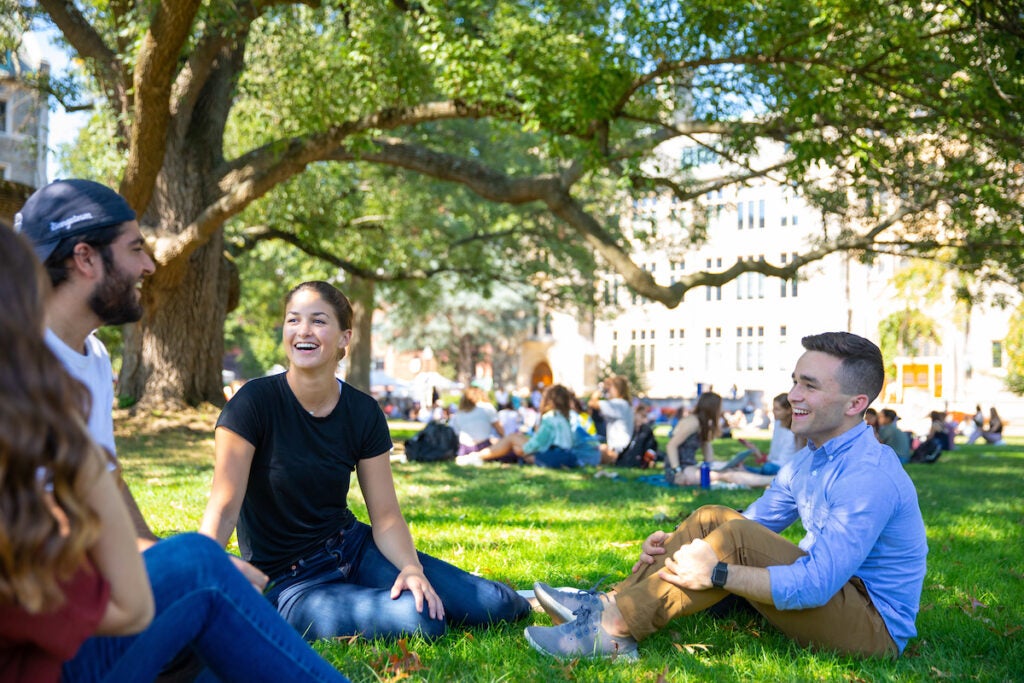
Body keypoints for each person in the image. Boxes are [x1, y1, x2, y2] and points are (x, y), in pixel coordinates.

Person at [15, 182, 349, 682]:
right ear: (85, 258)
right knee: (199, 564)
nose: (149, 266)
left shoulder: (94, 358)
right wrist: (178, 571)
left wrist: (151, 558)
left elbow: (107, 480)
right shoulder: (15, 363)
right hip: (53, 630)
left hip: (86, 605)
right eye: (134, 249)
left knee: (222, 643)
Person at [524, 332, 927, 660]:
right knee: (713, 517)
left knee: (731, 539)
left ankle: (613, 630)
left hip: (873, 628)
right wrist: (675, 550)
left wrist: (715, 572)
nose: (793, 396)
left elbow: (816, 584)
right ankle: (609, 602)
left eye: (810, 385)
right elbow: (741, 525)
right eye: (794, 381)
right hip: (832, 596)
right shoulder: (810, 460)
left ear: (856, 404)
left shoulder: (867, 475)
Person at [200, 281, 530, 641]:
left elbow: (386, 515)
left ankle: (563, 603)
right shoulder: (252, 404)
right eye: (293, 320)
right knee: (421, 620)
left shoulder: (363, 411)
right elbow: (224, 506)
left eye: (318, 321)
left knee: (493, 604)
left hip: (353, 549)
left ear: (344, 338)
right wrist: (203, 568)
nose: (303, 331)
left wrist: (410, 568)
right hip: (291, 583)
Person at [470, 384, 579, 467]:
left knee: (513, 439)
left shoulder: (550, 418)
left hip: (554, 457)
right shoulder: (565, 418)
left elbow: (539, 442)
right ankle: (479, 456)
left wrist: (524, 450)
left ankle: (476, 456)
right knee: (516, 441)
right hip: (568, 457)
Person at [735, 393, 805, 476]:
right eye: (773, 408)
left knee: (768, 468)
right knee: (766, 468)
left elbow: (783, 463)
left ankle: (747, 472)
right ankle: (746, 471)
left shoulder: (792, 433)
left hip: (784, 468)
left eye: (777, 409)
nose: (773, 412)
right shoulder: (777, 423)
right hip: (773, 465)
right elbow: (773, 455)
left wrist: (764, 459)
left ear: (788, 410)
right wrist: (755, 450)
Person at [664, 391, 722, 484]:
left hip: (690, 466)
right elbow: (671, 446)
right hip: (679, 469)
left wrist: (715, 465)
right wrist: (677, 472)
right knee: (724, 476)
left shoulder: (703, 424)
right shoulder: (693, 422)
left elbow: (707, 448)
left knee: (726, 472)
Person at [588, 375, 634, 464]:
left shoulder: (618, 404)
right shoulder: (624, 404)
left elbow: (592, 403)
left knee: (589, 449)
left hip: (618, 450)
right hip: (622, 448)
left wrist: (599, 391)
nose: (608, 391)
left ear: (617, 389)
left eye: (609, 388)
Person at [448, 387, 503, 456]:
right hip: (484, 446)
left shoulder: (459, 413)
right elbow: (500, 429)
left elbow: (456, 432)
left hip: (464, 449)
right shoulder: (487, 407)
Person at [615, 404, 660, 468]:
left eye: (646, 417)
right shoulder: (628, 427)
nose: (646, 420)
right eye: (643, 416)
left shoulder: (646, 430)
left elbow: (651, 446)